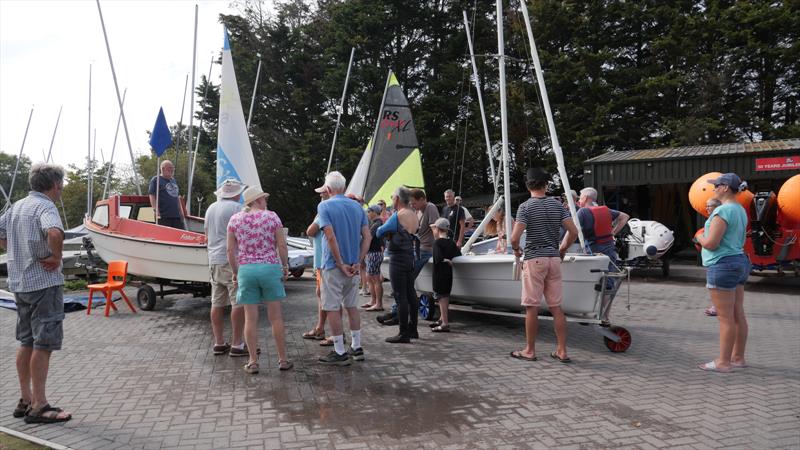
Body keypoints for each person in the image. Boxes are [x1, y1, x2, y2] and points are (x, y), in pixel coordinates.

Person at [0, 163, 73, 423]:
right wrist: (55, 256)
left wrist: (15, 252)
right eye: (61, 183)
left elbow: (1, 232)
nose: (62, 188)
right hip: (43, 284)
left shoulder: (16, 206)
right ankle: (40, 406)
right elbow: (53, 231)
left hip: (19, 284)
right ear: (55, 185)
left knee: (26, 341)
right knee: (43, 344)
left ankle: (25, 398)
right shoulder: (45, 206)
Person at [509, 167, 578, 363]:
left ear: (528, 185)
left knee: (532, 307)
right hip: (554, 259)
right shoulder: (558, 206)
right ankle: (562, 351)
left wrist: (516, 250)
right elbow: (573, 232)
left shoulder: (525, 207)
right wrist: (562, 250)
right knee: (556, 307)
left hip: (534, 259)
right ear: (546, 185)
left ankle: (530, 350)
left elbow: (514, 238)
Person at [226, 186, 292, 373]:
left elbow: (231, 250)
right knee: (276, 317)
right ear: (257, 200)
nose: (266, 202)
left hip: (246, 269)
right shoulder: (272, 217)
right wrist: (285, 266)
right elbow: (281, 245)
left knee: (250, 318)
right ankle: (282, 360)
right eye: (264, 199)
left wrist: (235, 272)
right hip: (270, 267)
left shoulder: (235, 219)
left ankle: (253, 361)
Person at [696, 173, 750, 373]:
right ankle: (738, 358)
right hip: (739, 262)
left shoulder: (722, 212)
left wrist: (700, 236)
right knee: (738, 314)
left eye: (716, 185)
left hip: (723, 265)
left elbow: (711, 243)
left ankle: (723, 362)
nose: (713, 188)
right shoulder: (740, 210)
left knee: (725, 318)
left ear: (725, 187)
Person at [316, 171, 372, 365]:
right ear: (344, 187)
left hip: (333, 266)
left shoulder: (324, 206)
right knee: (352, 307)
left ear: (329, 189)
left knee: (331, 307)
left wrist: (340, 263)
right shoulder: (358, 208)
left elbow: (330, 237)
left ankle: (339, 351)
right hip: (354, 266)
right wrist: (358, 260)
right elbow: (368, 237)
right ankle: (357, 347)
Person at [204, 179, 248, 357]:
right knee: (238, 302)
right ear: (236, 194)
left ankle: (219, 342)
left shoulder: (210, 208)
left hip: (213, 259)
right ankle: (237, 344)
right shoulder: (237, 209)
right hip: (232, 260)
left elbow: (206, 234)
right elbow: (243, 234)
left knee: (217, 302)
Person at [376, 187, 420, 343]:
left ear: (398, 199)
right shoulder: (414, 214)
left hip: (398, 258)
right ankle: (413, 329)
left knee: (400, 296)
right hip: (410, 257)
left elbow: (379, 231)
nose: (391, 199)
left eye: (393, 197)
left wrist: (389, 233)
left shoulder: (398, 215)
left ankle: (403, 333)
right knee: (411, 294)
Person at [302, 186, 332, 344]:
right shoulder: (327, 210)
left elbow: (310, 231)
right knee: (322, 294)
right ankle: (321, 328)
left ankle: (324, 330)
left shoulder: (324, 211)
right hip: (324, 261)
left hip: (323, 261)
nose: (320, 195)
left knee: (325, 295)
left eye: (323, 193)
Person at [576, 187, 630, 263]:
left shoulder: (582, 212)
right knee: (610, 273)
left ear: (585, 198)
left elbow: (572, 229)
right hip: (609, 250)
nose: (579, 201)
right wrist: (614, 232)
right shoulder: (606, 210)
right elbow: (625, 216)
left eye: (580, 198)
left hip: (593, 251)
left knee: (594, 274)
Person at [430, 218, 461, 332]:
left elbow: (438, 258)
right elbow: (458, 256)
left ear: (437, 229)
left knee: (441, 297)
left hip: (439, 273)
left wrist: (445, 260)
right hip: (448, 273)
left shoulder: (437, 243)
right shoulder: (451, 243)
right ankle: (442, 318)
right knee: (446, 296)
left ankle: (444, 323)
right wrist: (449, 261)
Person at [148, 159, 185, 230]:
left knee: (178, 235)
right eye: (170, 168)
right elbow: (152, 195)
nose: (172, 170)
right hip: (164, 215)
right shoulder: (156, 180)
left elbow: (176, 197)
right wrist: (156, 210)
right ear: (163, 168)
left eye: (172, 168)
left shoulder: (173, 180)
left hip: (176, 215)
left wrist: (181, 211)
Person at [362, 205, 385, 311]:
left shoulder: (377, 224)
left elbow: (368, 238)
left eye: (369, 211)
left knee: (375, 279)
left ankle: (378, 304)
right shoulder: (375, 223)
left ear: (374, 212)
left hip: (374, 253)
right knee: (370, 278)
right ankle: (373, 301)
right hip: (372, 253)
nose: (367, 213)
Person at [702, 198, 722, 317]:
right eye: (707, 206)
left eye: (710, 206)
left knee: (714, 285)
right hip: (711, 257)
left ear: (717, 207)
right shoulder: (713, 218)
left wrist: (700, 237)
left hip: (714, 257)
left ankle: (717, 307)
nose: (707, 208)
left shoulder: (716, 219)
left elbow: (711, 242)